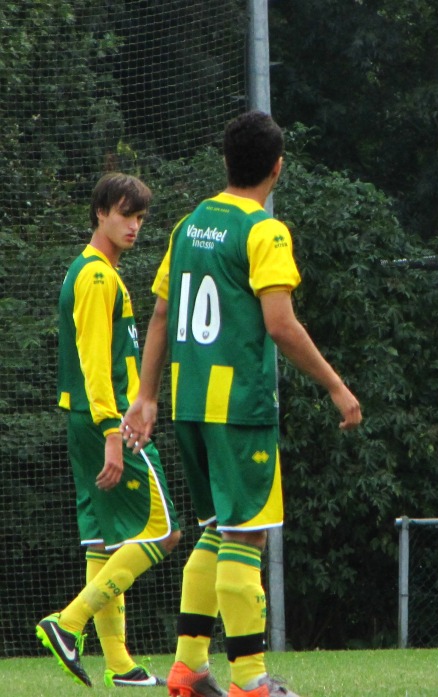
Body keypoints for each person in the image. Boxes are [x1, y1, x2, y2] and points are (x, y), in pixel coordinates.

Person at [121, 110, 362, 697]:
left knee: (214, 530)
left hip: (192, 404)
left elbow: (159, 314)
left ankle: (187, 667)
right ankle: (251, 680)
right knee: (247, 535)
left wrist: (147, 396)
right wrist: (335, 385)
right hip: (241, 408)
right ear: (277, 168)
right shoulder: (264, 231)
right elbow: (280, 325)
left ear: (226, 161)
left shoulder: (188, 225)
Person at [37, 172, 182, 688]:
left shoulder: (93, 271)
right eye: (125, 214)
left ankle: (119, 664)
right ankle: (67, 623)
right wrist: (113, 433)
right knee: (164, 533)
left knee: (102, 544)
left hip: (83, 419)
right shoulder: (97, 276)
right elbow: (96, 361)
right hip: (107, 418)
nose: (134, 226)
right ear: (100, 212)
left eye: (140, 217)